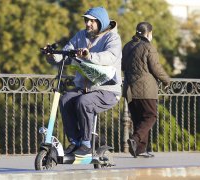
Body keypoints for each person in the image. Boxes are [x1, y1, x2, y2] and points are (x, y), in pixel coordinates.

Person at [46, 6, 122, 156]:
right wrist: (52, 55)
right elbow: (67, 53)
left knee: (84, 102)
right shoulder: (81, 36)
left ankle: (86, 144)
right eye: (86, 20)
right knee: (66, 99)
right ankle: (75, 141)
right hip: (84, 88)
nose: (87, 24)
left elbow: (110, 57)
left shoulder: (113, 38)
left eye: (91, 21)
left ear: (101, 22)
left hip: (107, 90)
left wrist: (89, 56)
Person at [122, 22, 170, 158]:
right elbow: (156, 68)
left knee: (138, 119)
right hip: (145, 89)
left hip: (129, 88)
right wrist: (167, 80)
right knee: (150, 115)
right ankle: (135, 139)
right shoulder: (148, 47)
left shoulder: (127, 46)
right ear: (149, 33)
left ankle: (140, 150)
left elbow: (122, 66)